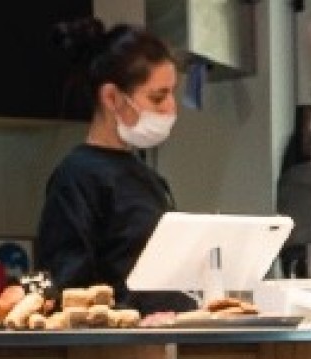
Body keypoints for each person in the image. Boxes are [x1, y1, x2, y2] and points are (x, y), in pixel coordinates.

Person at [37, 23, 194, 314]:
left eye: (172, 95)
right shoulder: (76, 178)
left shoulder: (148, 177)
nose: (171, 109)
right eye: (158, 97)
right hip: (116, 350)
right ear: (111, 97)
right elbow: (68, 289)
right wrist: (127, 317)